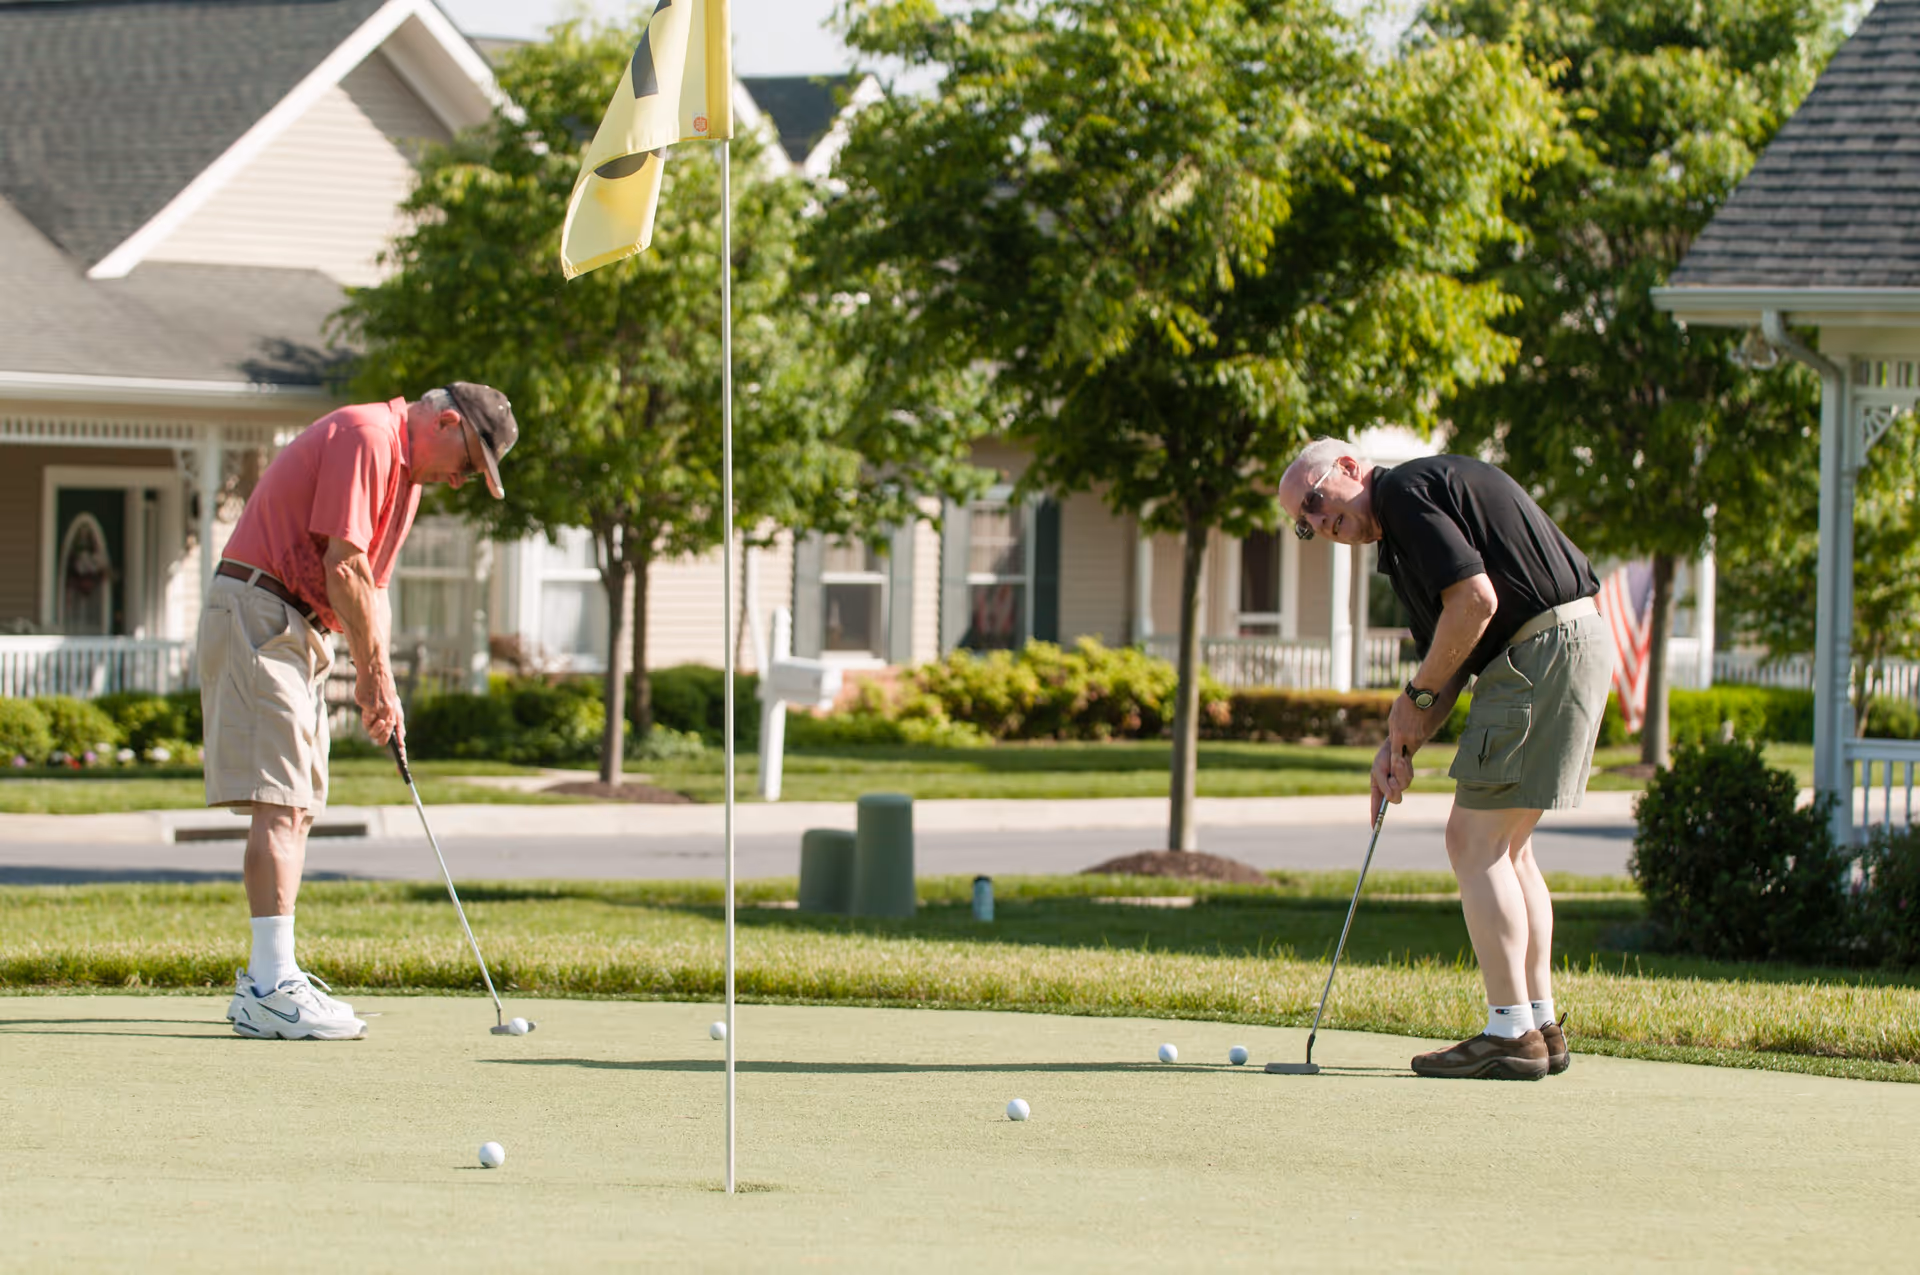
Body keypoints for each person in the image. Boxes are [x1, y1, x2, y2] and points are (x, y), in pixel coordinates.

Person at [1278, 439, 1611, 1079]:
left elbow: (1476, 603)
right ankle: (1538, 1024)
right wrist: (1399, 742)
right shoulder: (1402, 546)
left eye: (1317, 502)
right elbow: (1449, 658)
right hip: (1567, 643)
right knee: (1509, 848)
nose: (1322, 524)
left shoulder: (1404, 492)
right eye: (1306, 524)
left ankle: (1509, 1030)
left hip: (1539, 651)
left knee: (1473, 840)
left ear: (1349, 468)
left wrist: (1416, 695)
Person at [202, 384, 517, 1040]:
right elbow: (341, 565)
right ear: (448, 421)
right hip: (260, 609)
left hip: (293, 622)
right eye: (469, 462)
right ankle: (268, 985)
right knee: (282, 802)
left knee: (298, 800)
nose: (461, 482)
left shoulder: (407, 478)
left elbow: (373, 586)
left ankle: (270, 975)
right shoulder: (368, 435)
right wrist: (371, 674)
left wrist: (385, 685)